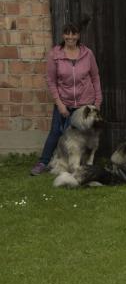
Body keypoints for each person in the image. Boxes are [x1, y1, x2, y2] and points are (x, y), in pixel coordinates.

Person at [30, 22, 102, 175]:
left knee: (83, 136)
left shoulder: (87, 53)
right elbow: (51, 81)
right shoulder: (55, 54)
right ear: (63, 35)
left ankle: (80, 165)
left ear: (78, 35)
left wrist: (97, 102)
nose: (70, 37)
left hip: (84, 105)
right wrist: (60, 104)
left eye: (74, 33)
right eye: (67, 34)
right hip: (64, 103)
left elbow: (95, 77)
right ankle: (43, 162)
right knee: (56, 133)